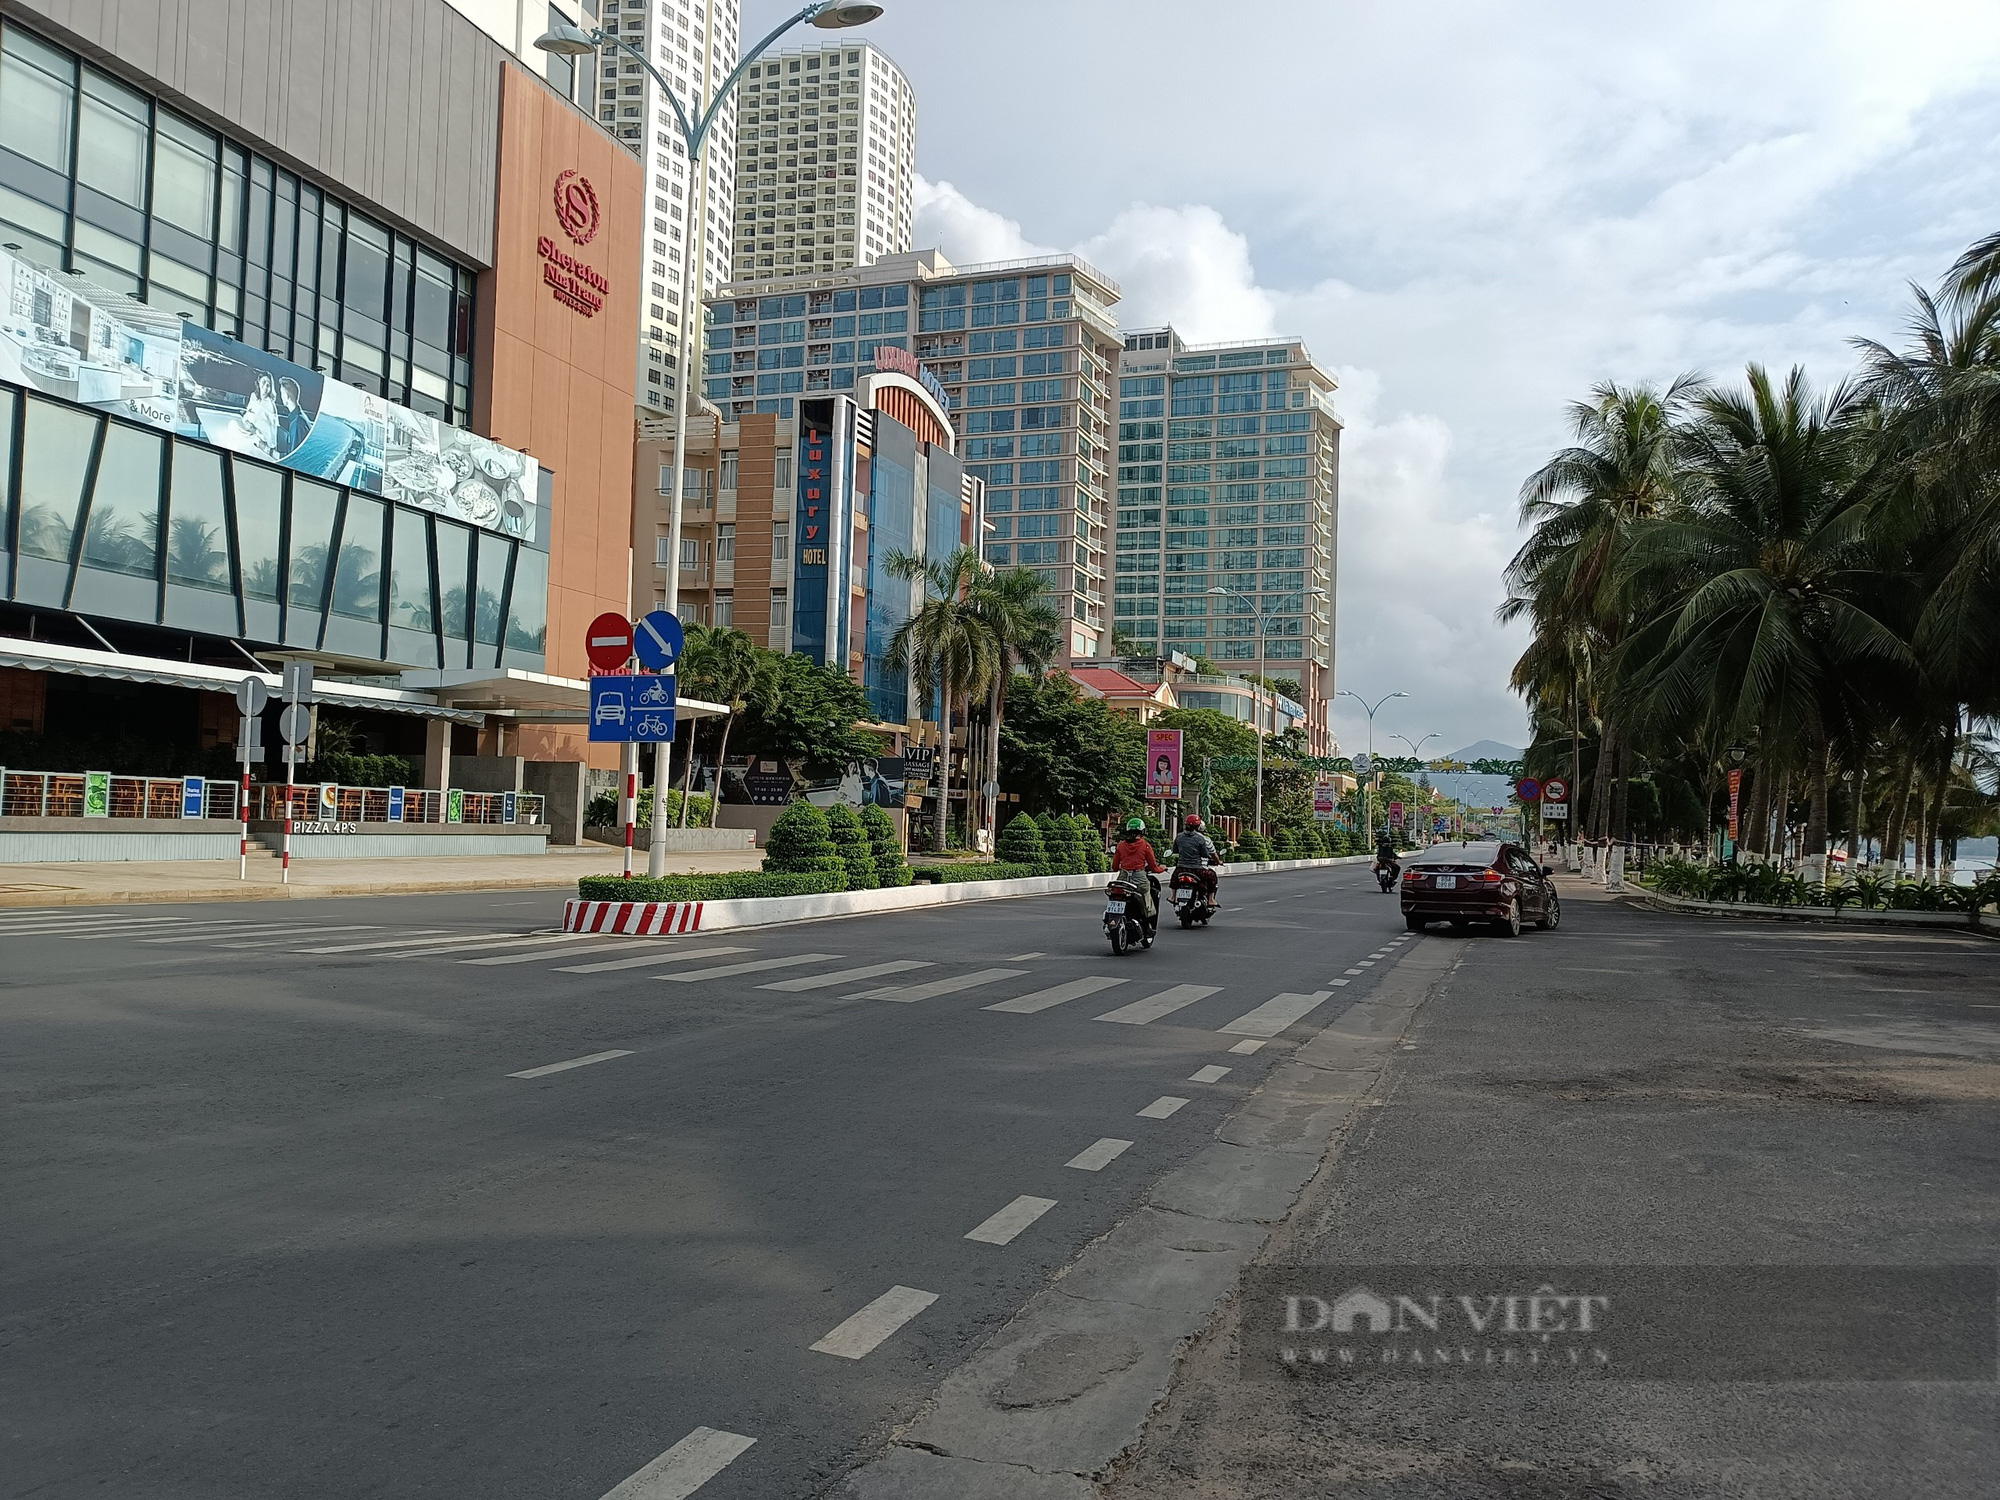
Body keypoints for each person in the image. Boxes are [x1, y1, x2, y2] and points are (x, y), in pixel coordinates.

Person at [1110, 815, 1165, 932]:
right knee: (1146, 902)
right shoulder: (1145, 845)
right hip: (1139, 878)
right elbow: (1154, 867)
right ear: (1142, 831)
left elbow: (1114, 867)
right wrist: (1163, 868)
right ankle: (1148, 927)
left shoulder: (1120, 845)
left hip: (1123, 879)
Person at [1170, 814, 1222, 902]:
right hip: (1196, 870)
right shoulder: (1200, 839)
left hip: (1181, 868)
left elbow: (1175, 850)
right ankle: (1211, 899)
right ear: (1198, 826)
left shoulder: (1179, 836)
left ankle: (1173, 897)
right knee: (1212, 876)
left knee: (1174, 878)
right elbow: (1205, 854)